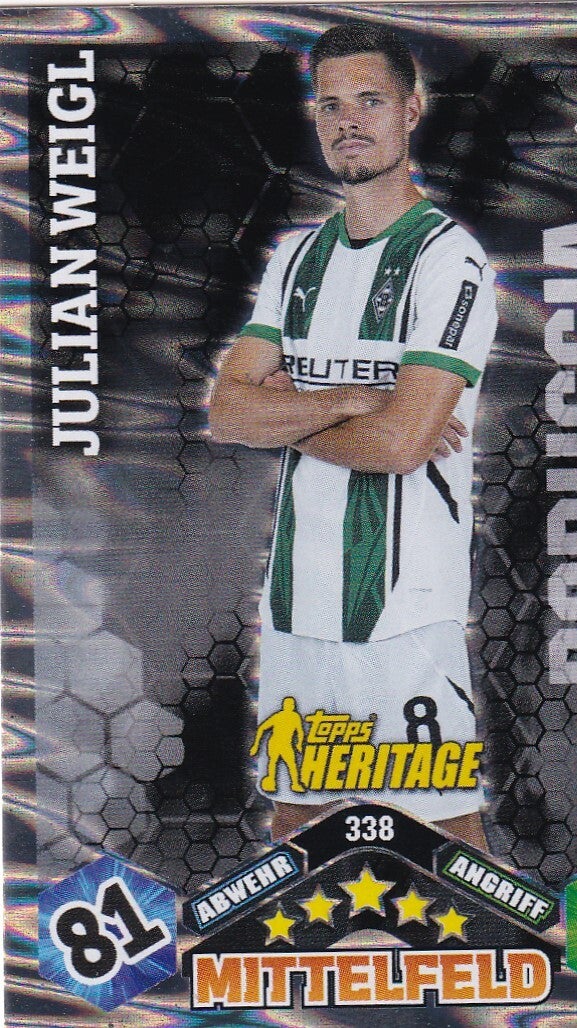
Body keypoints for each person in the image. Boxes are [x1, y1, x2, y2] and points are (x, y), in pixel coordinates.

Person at [210, 22, 497, 849]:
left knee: (444, 837)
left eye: (369, 101)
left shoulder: (450, 260)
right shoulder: (297, 259)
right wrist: (352, 400)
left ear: (411, 109)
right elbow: (227, 413)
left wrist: (291, 410)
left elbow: (403, 446)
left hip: (404, 607)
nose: (348, 122)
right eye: (331, 105)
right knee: (297, 828)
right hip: (298, 599)